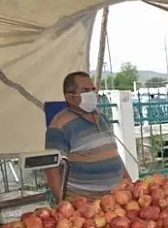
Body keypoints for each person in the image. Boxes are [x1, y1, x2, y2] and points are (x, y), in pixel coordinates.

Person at [45, 71, 131, 201]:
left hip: (115, 199)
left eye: (92, 89)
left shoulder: (100, 117)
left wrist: (127, 178)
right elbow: (52, 169)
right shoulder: (59, 126)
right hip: (85, 205)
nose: (92, 94)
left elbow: (111, 152)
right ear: (70, 97)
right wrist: (62, 203)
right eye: (85, 90)